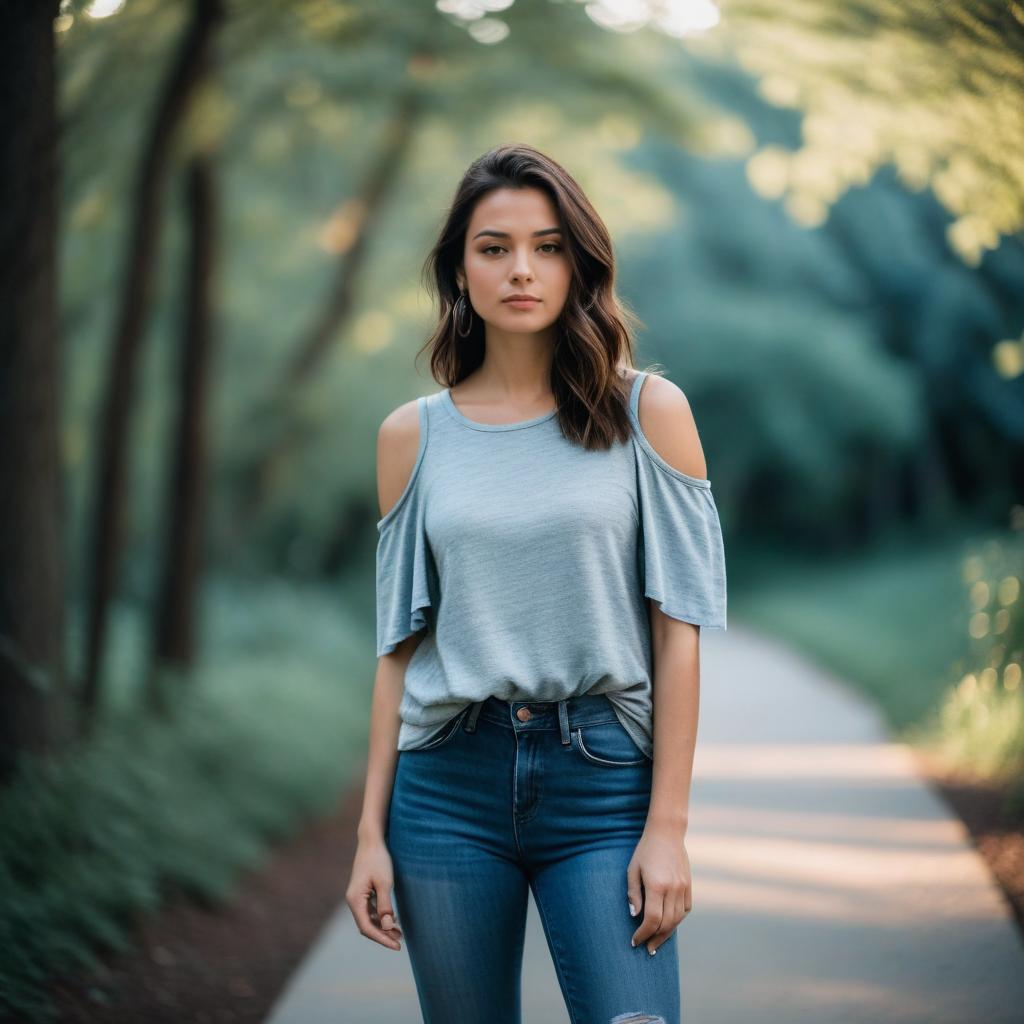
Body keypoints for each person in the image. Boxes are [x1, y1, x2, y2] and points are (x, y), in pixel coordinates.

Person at [345, 142, 727, 1024]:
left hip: (603, 783)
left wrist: (666, 828)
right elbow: (398, 652)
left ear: (579, 264)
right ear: (459, 269)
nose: (522, 269)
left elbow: (681, 632)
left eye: (549, 246)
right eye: (494, 247)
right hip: (445, 788)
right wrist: (371, 835)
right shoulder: (412, 436)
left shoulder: (648, 414)